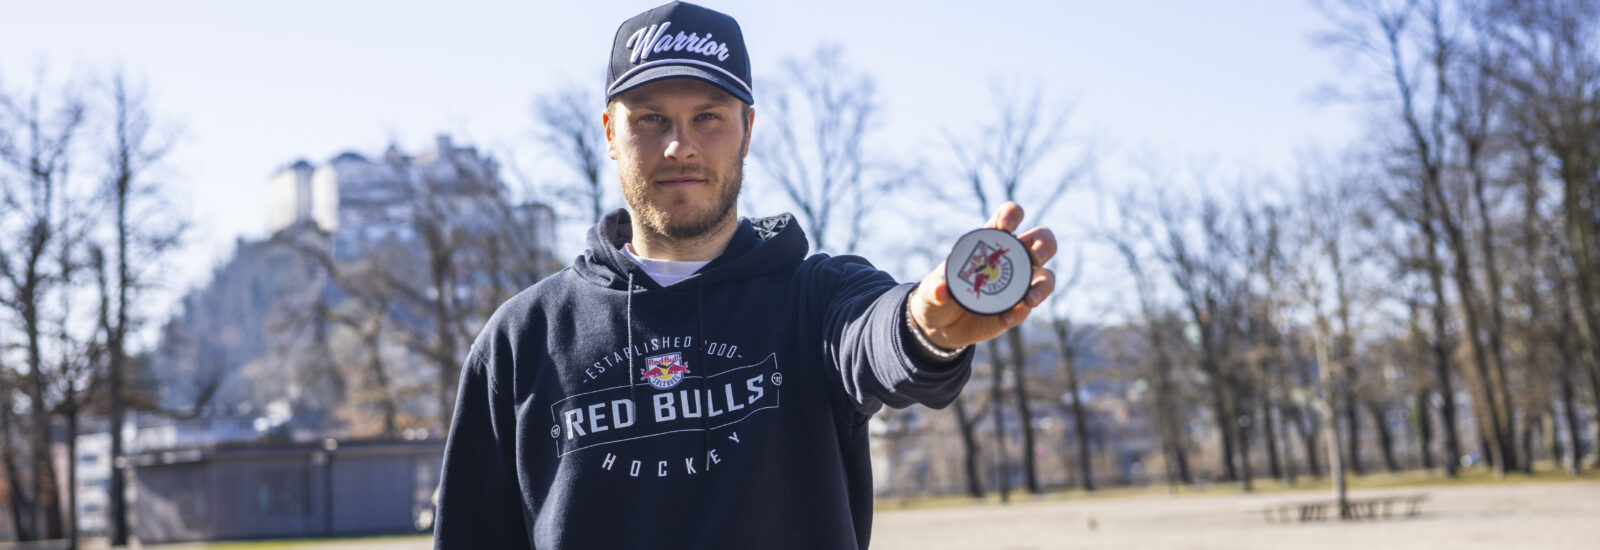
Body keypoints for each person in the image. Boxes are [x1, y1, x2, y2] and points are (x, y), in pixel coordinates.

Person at [432, 2, 1056, 548]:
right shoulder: (523, 338)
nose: (680, 146)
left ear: (748, 130)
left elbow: (879, 337)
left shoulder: (817, 299)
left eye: (708, 117)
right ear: (610, 134)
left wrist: (926, 326)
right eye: (650, 119)